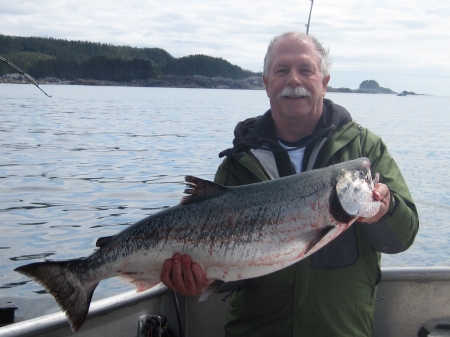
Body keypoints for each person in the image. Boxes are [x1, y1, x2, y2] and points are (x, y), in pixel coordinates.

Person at [160, 32, 419, 336]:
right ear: (266, 83)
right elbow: (217, 269)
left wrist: (383, 212)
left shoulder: (364, 151)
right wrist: (197, 278)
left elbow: (402, 238)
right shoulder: (238, 163)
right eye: (282, 70)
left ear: (324, 82)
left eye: (306, 70)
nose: (293, 80)